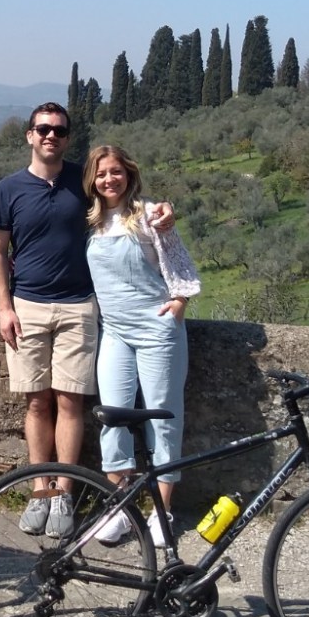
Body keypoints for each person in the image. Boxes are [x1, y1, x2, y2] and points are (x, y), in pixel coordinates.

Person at [0, 105, 173, 538]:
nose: (50, 136)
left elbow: (123, 199)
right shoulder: (8, 189)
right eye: (43, 129)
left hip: (78, 306)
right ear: (29, 136)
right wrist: (4, 307)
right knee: (36, 402)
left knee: (70, 402)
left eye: (59, 130)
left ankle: (65, 493)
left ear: (68, 138)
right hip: (27, 306)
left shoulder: (82, 182)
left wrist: (162, 210)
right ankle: (39, 490)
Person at [81, 144, 200, 545]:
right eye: (101, 174)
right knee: (111, 418)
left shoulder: (150, 215)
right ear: (92, 181)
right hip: (114, 332)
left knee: (162, 420)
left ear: (128, 175)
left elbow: (180, 263)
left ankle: (161, 512)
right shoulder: (93, 222)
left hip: (156, 331)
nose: (109, 179)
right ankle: (121, 507)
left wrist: (180, 302)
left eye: (115, 171)